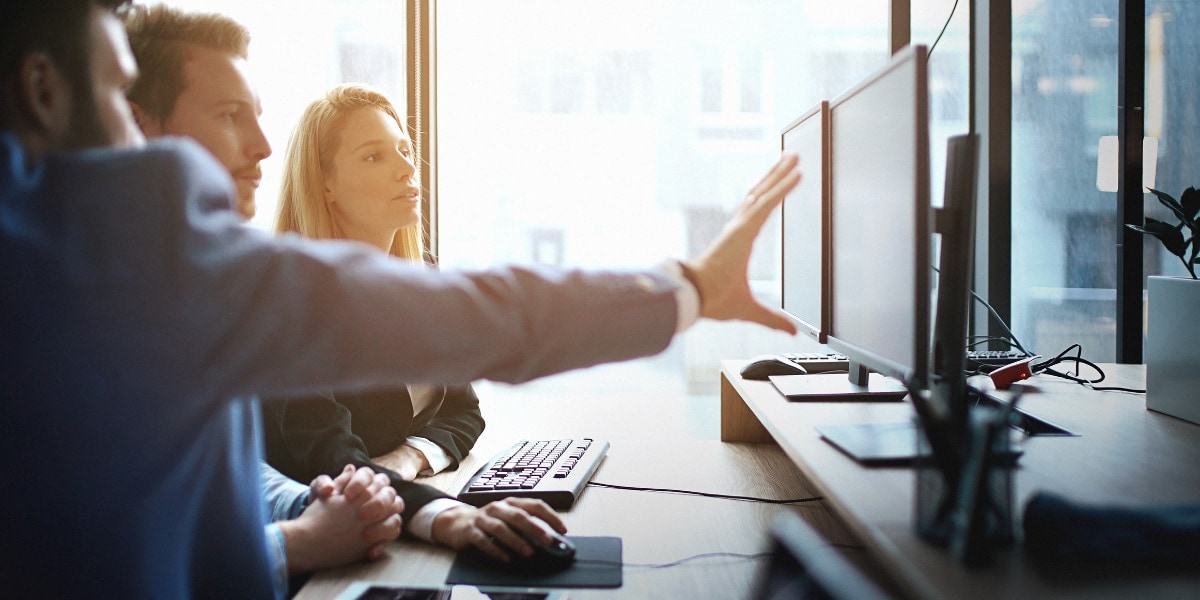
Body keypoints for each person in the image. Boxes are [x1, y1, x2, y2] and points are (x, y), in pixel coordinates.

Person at [0, 1, 800, 597]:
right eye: (117, 95)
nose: (263, 149)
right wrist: (689, 290)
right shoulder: (138, 249)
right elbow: (474, 318)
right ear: (42, 89)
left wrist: (325, 530)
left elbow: (212, 471)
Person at [120, 3, 555, 569]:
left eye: (404, 150)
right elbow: (321, 456)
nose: (406, 169)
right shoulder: (273, 304)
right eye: (375, 156)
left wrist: (405, 462)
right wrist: (429, 512)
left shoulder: (403, 282)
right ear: (323, 186)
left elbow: (463, 411)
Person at [116, 5, 417, 590]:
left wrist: (319, 510)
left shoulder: (195, 288)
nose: (263, 147)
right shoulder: (83, 307)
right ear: (138, 126)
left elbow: (232, 475)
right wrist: (299, 541)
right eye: (232, 116)